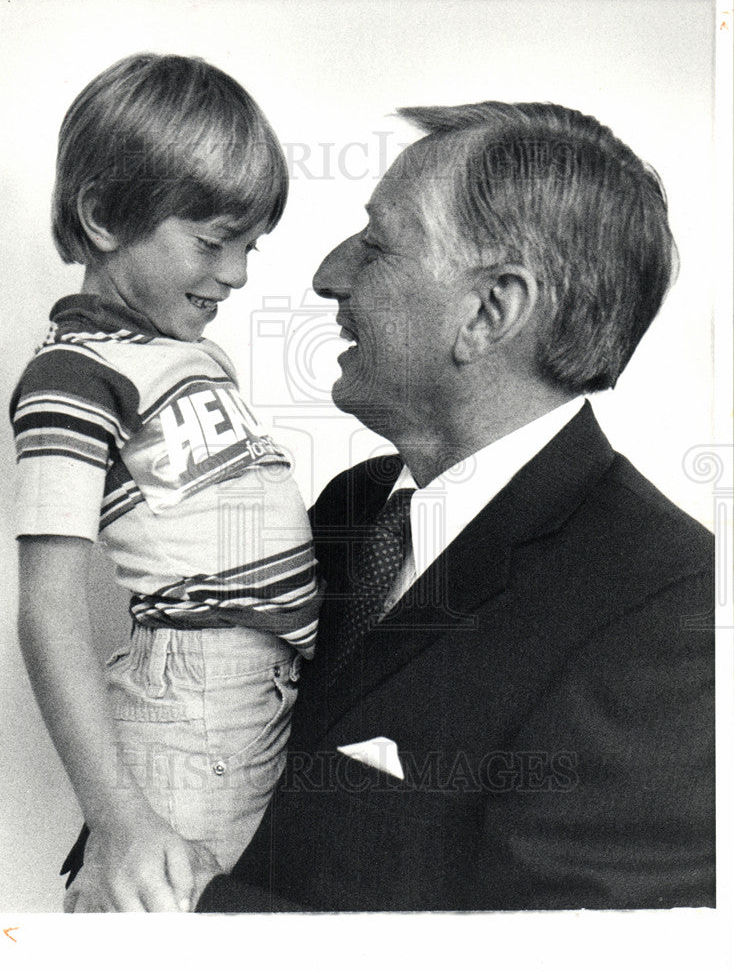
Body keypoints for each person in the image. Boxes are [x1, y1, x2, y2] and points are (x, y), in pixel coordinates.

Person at [196, 101, 716, 911]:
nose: (328, 275)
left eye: (376, 246)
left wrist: (187, 912)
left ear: (488, 312)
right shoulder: (353, 507)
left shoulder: (673, 607)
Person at [10, 53, 320, 913]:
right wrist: (118, 817)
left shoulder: (183, 357)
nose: (238, 274)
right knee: (160, 921)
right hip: (193, 712)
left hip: (263, 697)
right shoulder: (73, 377)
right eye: (213, 241)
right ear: (105, 215)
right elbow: (48, 606)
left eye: (249, 247)